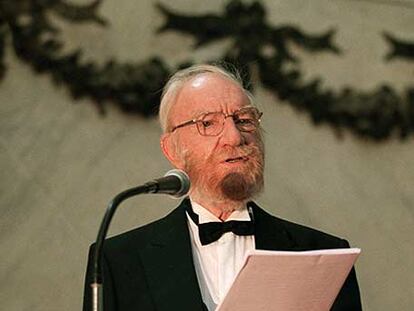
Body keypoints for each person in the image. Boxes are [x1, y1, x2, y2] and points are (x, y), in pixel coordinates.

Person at [83, 64, 362, 311]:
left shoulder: (323, 257)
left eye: (244, 120)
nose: (235, 136)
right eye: (208, 123)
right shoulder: (117, 262)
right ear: (172, 150)